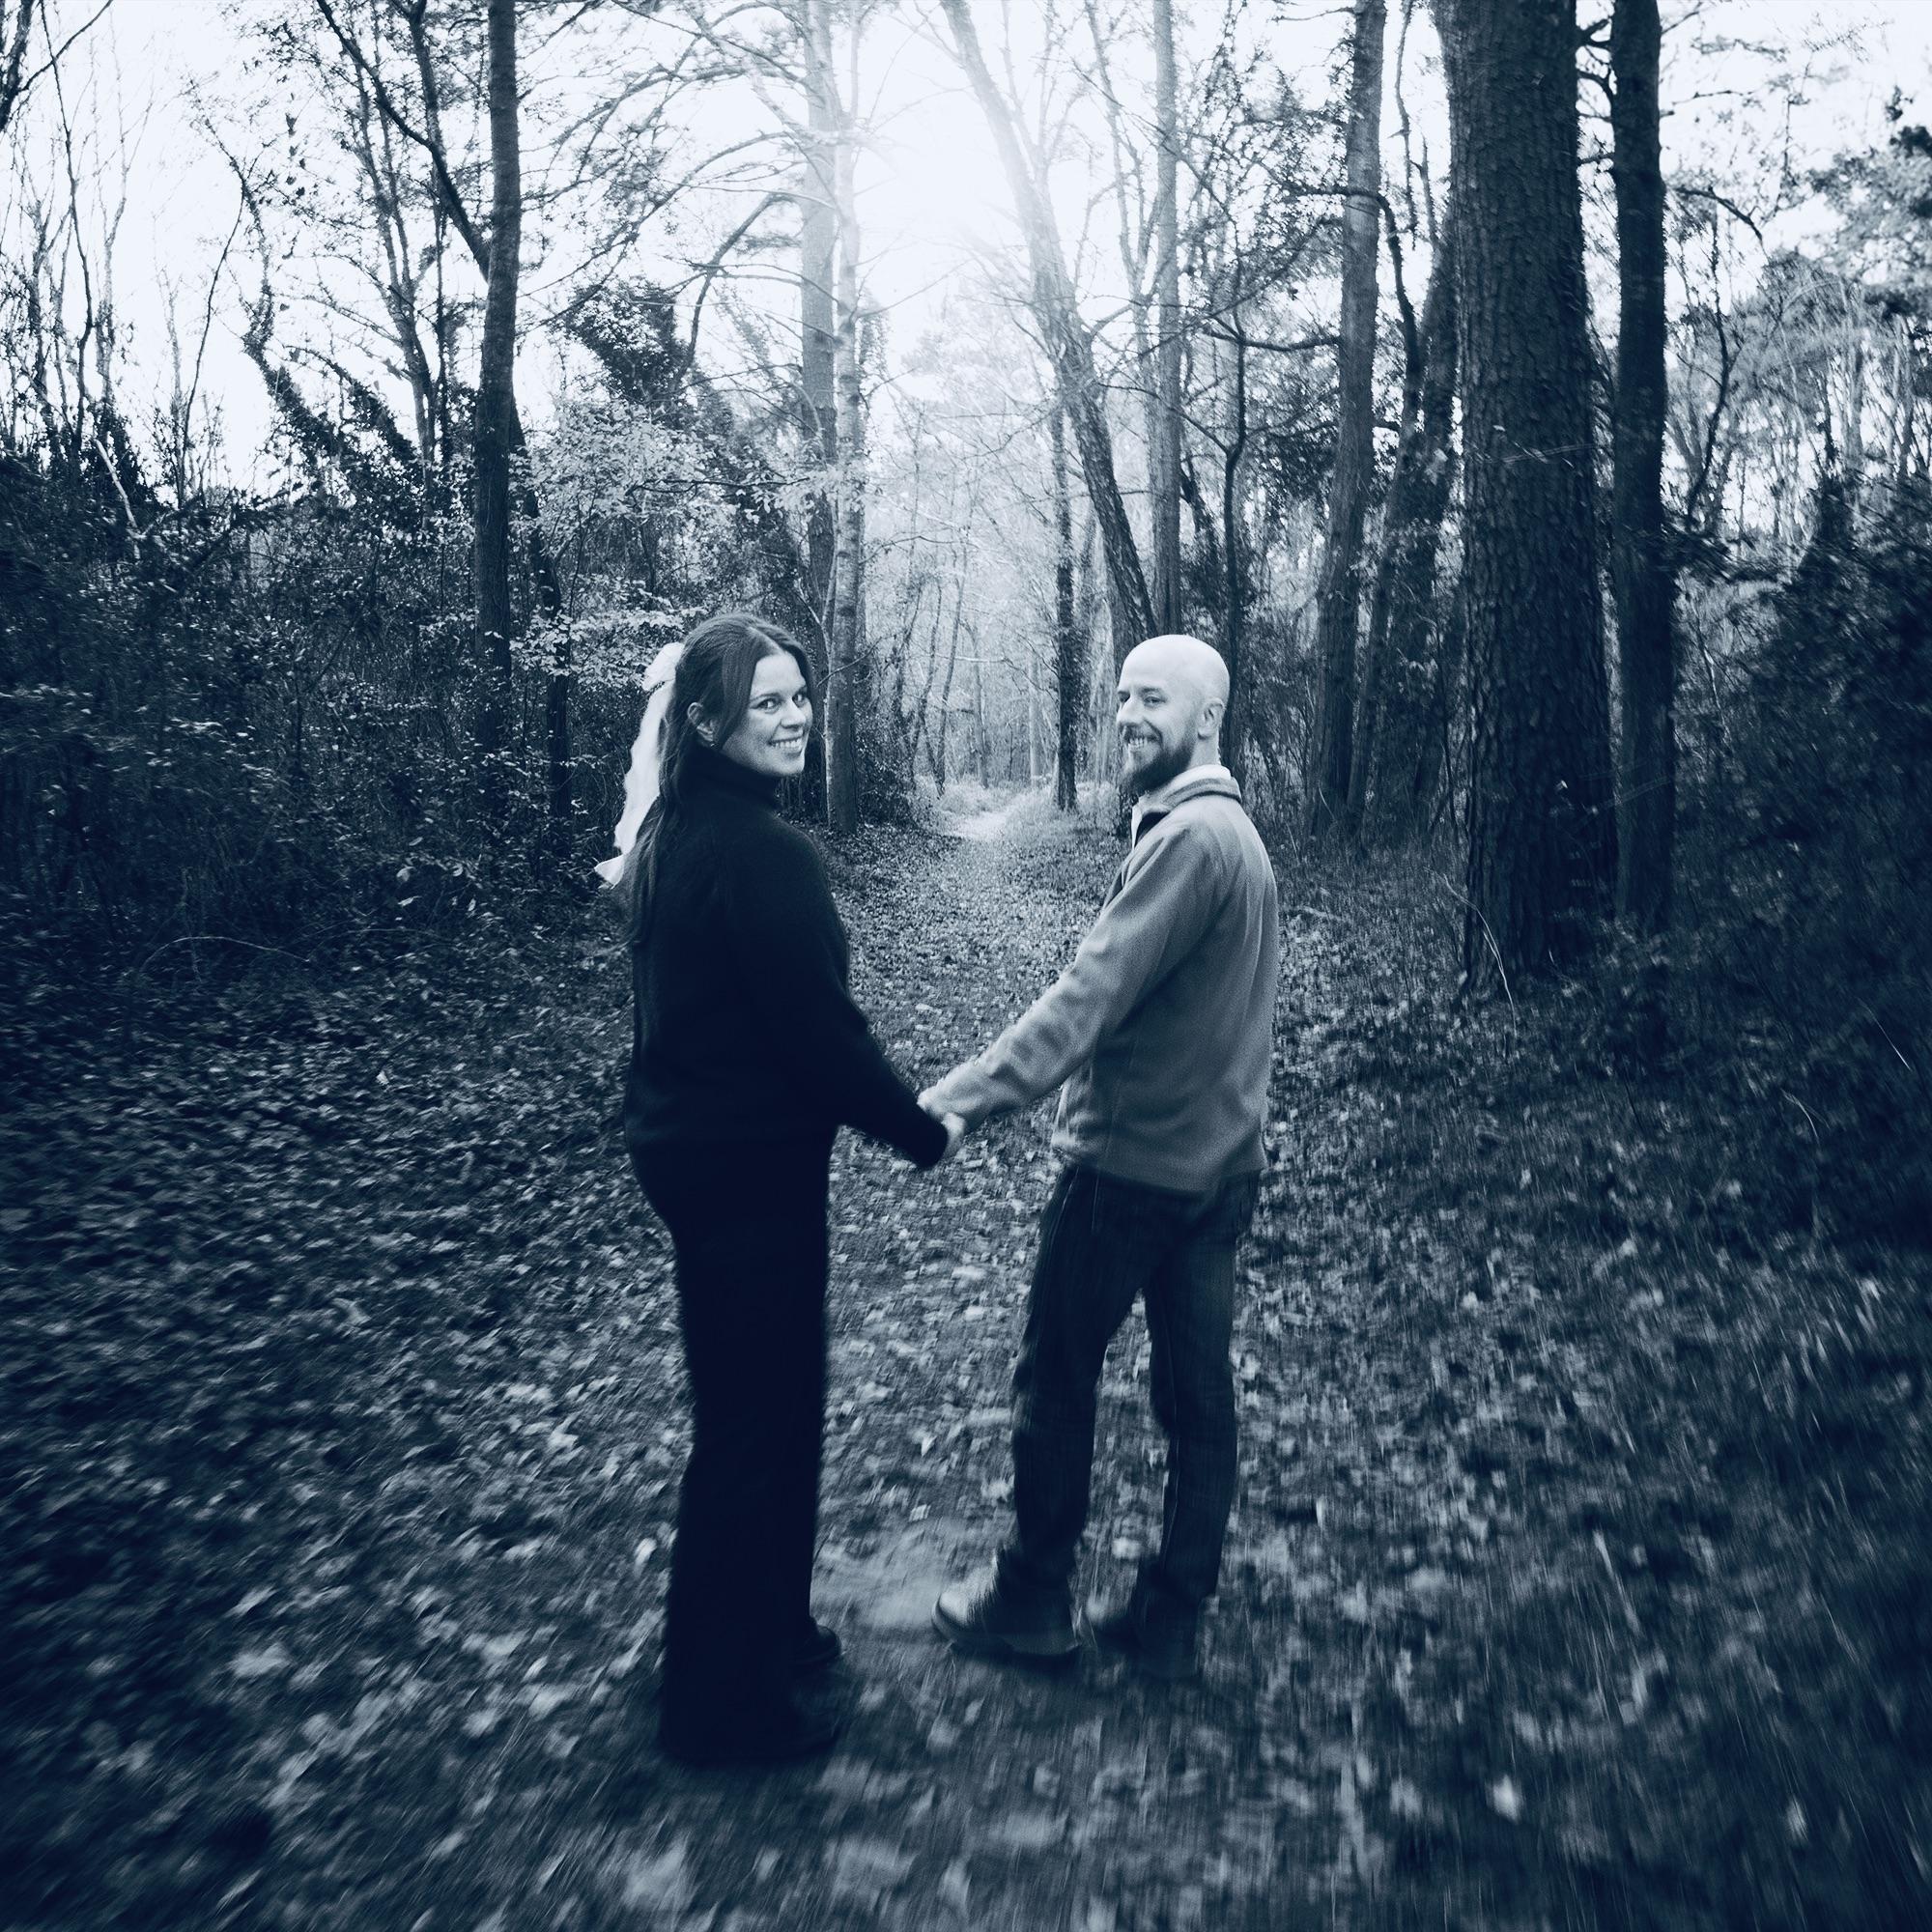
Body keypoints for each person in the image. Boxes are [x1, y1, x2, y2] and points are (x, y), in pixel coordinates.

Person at [604, 611, 963, 1767]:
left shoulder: (675, 828)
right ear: (708, 721)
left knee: (769, 1406)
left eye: (799, 696)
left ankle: (770, 1633)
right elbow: (819, 1036)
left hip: (700, 1155)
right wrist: (921, 1129)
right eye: (767, 702)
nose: (794, 716)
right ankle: (717, 1710)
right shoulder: (761, 853)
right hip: (744, 1169)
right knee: (753, 1428)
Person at [923, 634, 1279, 1682]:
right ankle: (1171, 1616)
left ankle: (1031, 1598)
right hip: (1216, 1171)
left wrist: (957, 1101)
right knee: (1196, 1403)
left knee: (1056, 1378)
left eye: (1152, 698)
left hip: (1129, 1175)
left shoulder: (1192, 842)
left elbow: (1087, 997)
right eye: (1122, 694)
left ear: (1205, 717)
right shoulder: (1232, 833)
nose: (1128, 713)